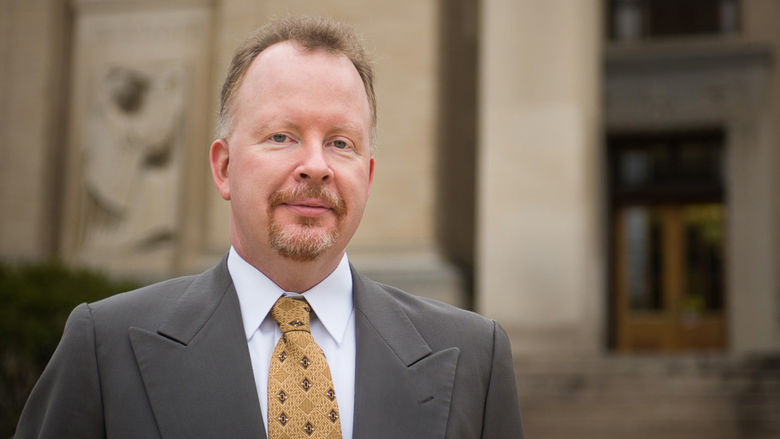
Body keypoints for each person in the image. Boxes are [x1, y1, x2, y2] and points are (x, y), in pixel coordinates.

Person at [15, 16, 523, 439]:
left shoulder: (476, 357)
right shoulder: (105, 348)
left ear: (367, 178)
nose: (316, 165)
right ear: (224, 168)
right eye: (282, 136)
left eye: (341, 143)